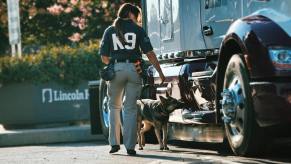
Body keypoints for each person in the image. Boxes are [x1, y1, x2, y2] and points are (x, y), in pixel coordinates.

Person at [99, 3, 165, 155]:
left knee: (114, 107)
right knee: (130, 108)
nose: (138, 19)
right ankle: (130, 146)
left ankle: (114, 144)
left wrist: (116, 64)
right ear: (130, 14)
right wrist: (160, 73)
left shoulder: (110, 30)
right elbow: (150, 53)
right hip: (134, 70)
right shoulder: (138, 30)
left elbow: (103, 57)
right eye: (137, 16)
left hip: (116, 70)